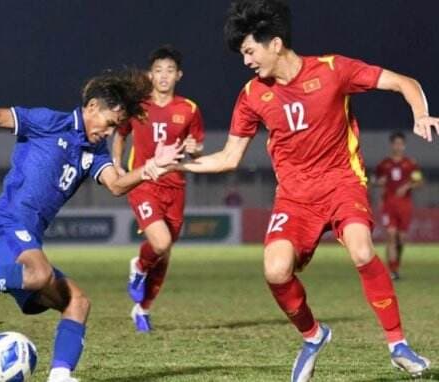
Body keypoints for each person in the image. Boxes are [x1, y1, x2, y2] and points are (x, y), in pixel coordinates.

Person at [176, 0, 437, 380]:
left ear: (275, 43)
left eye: (250, 51)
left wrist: (420, 112)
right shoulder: (252, 95)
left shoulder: (333, 70)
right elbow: (229, 158)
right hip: (295, 197)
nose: (246, 60)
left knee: (363, 250)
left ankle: (397, 345)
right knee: (276, 270)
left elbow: (403, 82)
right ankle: (314, 336)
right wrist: (176, 165)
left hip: (341, 183)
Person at [0, 69, 183, 382]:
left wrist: (151, 168)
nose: (109, 133)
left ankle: (60, 376)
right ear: (92, 107)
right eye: (109, 124)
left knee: (78, 302)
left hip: (26, 244)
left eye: (116, 128)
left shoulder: (94, 152)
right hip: (3, 225)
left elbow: (117, 185)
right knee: (40, 273)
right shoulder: (51, 122)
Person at [111, 45, 205, 332]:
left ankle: (142, 309)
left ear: (179, 75)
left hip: (175, 187)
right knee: (160, 243)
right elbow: (119, 133)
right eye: (158, 71)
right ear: (150, 75)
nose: (164, 76)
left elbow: (198, 148)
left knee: (164, 252)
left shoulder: (189, 109)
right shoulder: (138, 105)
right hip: (145, 183)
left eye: (169, 71)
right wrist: (117, 164)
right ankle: (138, 267)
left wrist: (194, 149)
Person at [375, 132, 423, 280]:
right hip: (388, 204)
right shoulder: (384, 164)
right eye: (395, 144)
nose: (398, 147)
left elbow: (419, 182)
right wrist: (379, 183)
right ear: (392, 145)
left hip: (405, 205)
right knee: (391, 235)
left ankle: (396, 265)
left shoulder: (410, 163)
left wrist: (408, 186)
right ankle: (392, 270)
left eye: (400, 144)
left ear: (404, 145)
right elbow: (375, 180)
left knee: (401, 239)